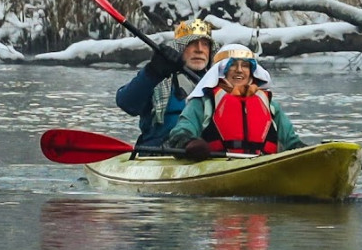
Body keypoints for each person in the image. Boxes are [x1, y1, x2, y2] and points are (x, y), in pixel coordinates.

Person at [164, 44, 305, 160]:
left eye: (245, 65)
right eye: (232, 66)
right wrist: (190, 144)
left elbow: (292, 142)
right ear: (221, 71)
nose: (239, 71)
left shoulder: (270, 105)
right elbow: (179, 135)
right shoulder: (203, 102)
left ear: (252, 71)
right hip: (217, 166)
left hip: (264, 163)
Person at [114, 18, 218, 147]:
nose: (199, 49)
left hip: (204, 155)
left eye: (205, 44)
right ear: (179, 47)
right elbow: (127, 103)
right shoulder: (158, 77)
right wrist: (153, 71)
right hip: (160, 156)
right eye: (192, 43)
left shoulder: (219, 85)